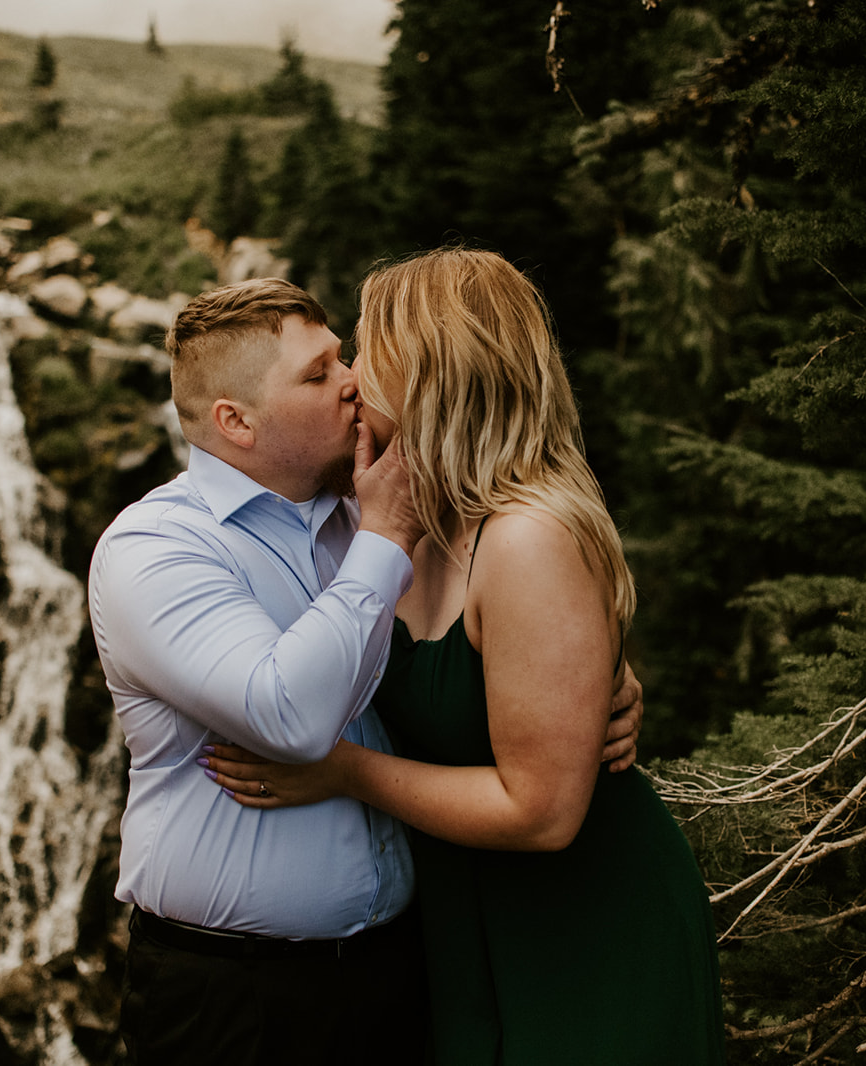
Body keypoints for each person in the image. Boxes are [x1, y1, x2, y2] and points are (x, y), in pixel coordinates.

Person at [86, 277, 643, 1066]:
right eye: (317, 375)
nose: (353, 380)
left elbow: (512, 634)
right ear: (235, 421)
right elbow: (288, 717)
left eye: (341, 357)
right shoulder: (159, 549)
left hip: (407, 971)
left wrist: (598, 688)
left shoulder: (378, 511)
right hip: (235, 998)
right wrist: (383, 539)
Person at [202, 249, 727, 1065]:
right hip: (462, 925)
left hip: (582, 926)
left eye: (365, 351)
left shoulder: (528, 538)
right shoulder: (391, 519)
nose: (349, 379)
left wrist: (342, 771)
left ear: (430, 373)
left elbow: (544, 813)